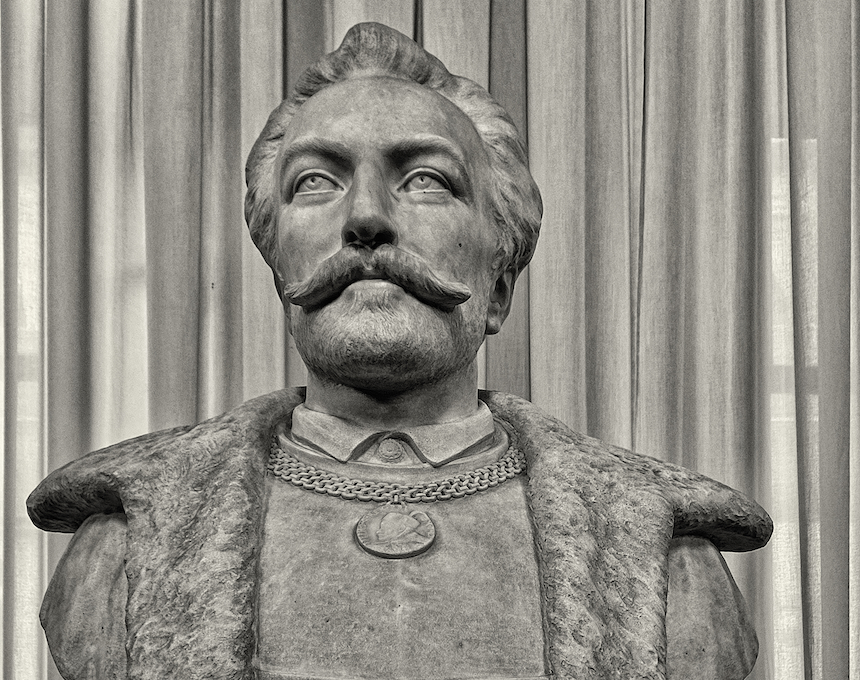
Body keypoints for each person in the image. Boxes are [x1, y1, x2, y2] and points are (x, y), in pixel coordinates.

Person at [28, 22, 771, 680]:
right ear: (281, 268)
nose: (367, 220)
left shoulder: (662, 556)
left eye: (426, 181)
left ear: (500, 282)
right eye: (317, 182)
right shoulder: (126, 547)